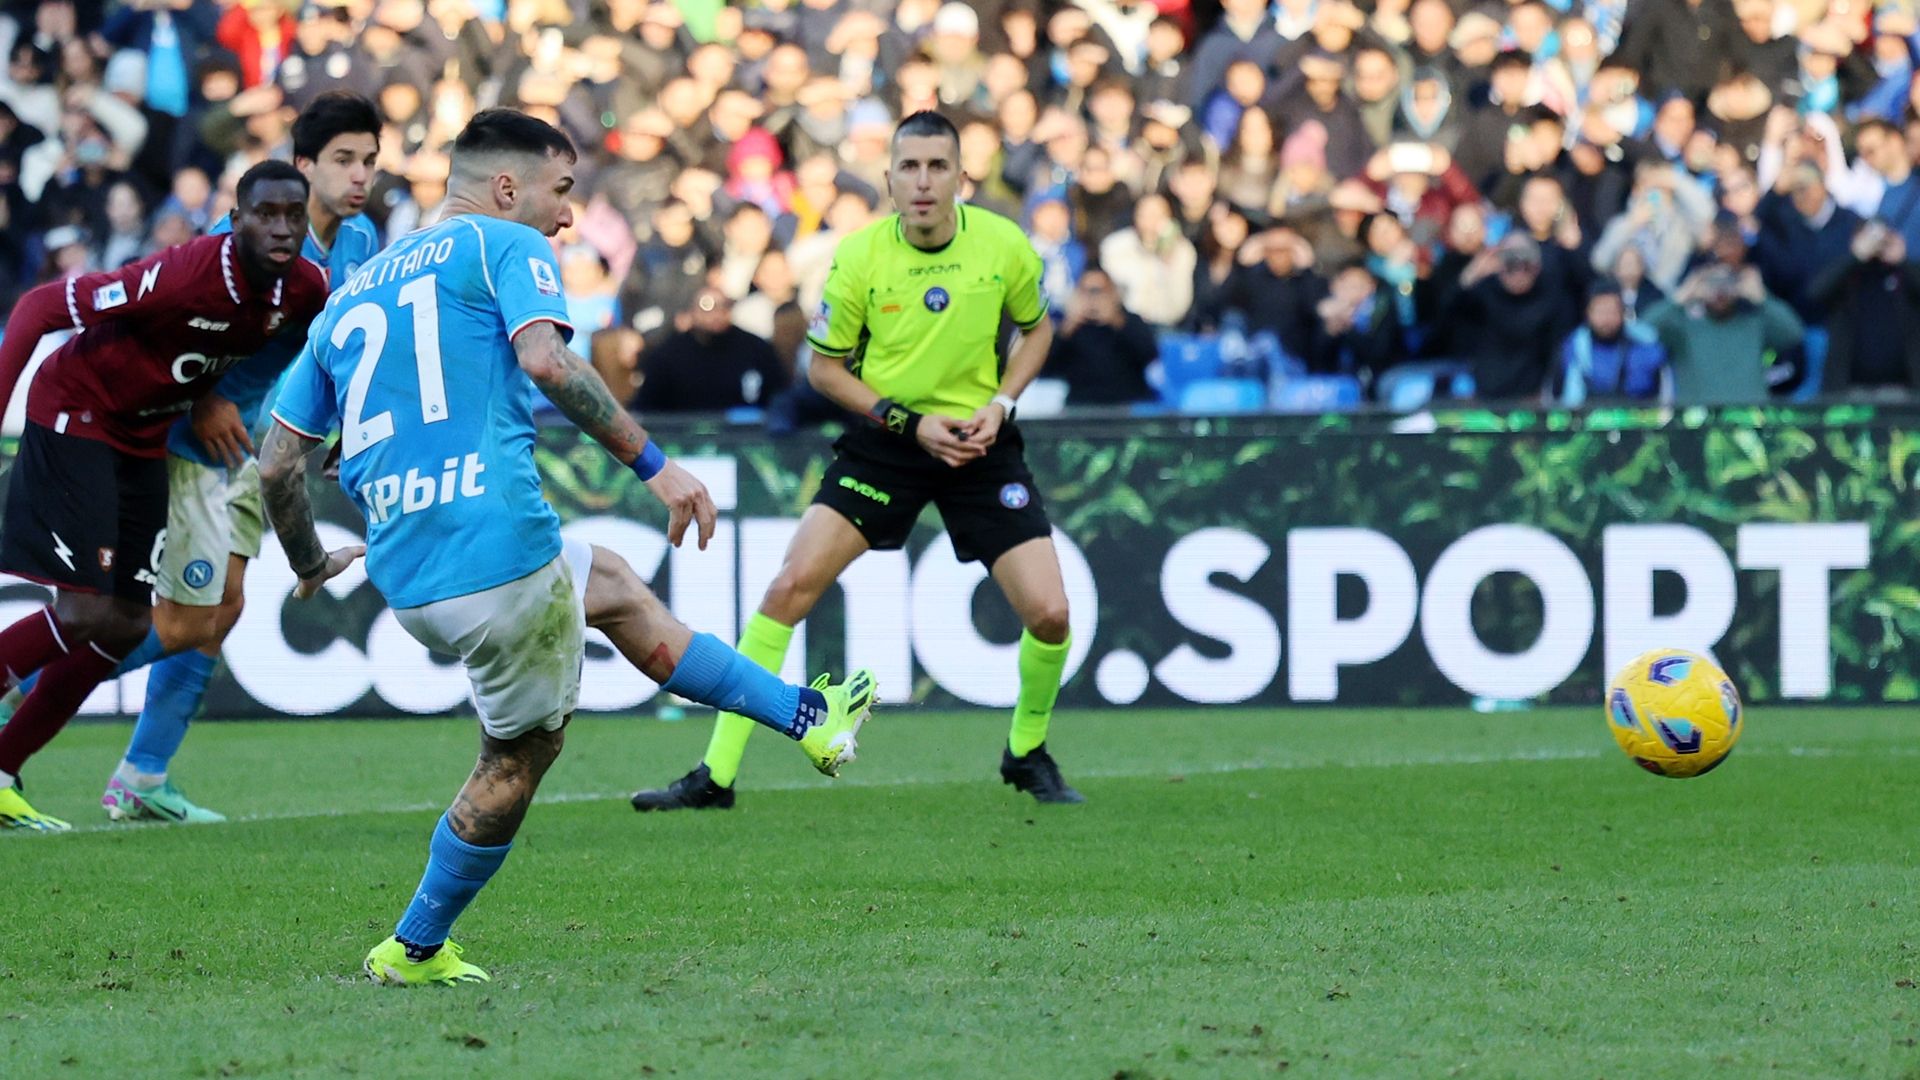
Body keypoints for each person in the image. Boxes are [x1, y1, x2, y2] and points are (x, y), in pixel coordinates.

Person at [258, 109, 877, 986]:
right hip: (496, 549)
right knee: (515, 759)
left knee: (615, 586)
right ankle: (414, 946)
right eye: (561, 190)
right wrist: (656, 467)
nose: (567, 216)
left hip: (406, 567)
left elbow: (278, 465)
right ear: (506, 187)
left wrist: (311, 563)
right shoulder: (503, 247)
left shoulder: (351, 294)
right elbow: (549, 364)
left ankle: (808, 719)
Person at [632, 110, 1082, 812]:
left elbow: (1037, 328)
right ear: (890, 178)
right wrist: (910, 423)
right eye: (911, 167)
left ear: (962, 177)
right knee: (788, 589)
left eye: (938, 166)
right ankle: (715, 775)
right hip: (891, 442)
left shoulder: (1003, 244)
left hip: (980, 444)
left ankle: (1026, 751)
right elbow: (825, 369)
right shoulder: (861, 254)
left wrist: (1000, 404)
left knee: (1051, 613)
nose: (924, 181)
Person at [0, 92, 387, 824]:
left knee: (168, 618)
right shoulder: (201, 260)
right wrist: (206, 398)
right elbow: (46, 308)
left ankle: (128, 772)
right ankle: (25, 688)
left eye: (370, 159)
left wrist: (336, 433)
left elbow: (330, 348)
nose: (360, 175)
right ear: (299, 170)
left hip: (219, 438)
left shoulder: (339, 257)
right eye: (344, 160)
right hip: (144, 431)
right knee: (150, 619)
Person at [634, 287, 789, 412]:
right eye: (707, 307)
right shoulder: (667, 355)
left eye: (723, 306)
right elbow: (648, 406)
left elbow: (779, 394)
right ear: (692, 312)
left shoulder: (757, 349)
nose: (716, 314)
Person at [1048, 267, 1159, 405]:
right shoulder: (1070, 327)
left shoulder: (1129, 321)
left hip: (1127, 403)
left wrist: (1116, 321)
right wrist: (1068, 327)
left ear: (1112, 293)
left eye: (1099, 291)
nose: (1094, 297)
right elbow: (1046, 367)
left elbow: (1150, 355)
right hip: (1081, 405)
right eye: (1087, 292)